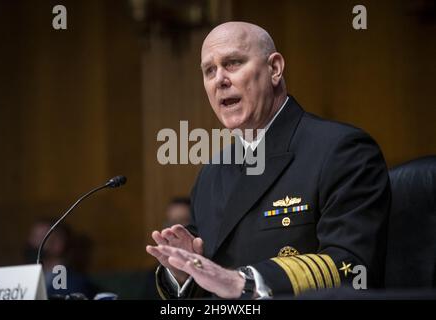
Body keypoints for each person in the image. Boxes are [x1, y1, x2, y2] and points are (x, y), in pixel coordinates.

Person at [146, 21, 390, 299]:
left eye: (233, 63)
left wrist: (248, 283)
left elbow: (353, 266)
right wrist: (184, 270)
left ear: (274, 69)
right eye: (209, 71)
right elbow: (211, 287)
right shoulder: (211, 174)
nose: (219, 80)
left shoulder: (342, 150)